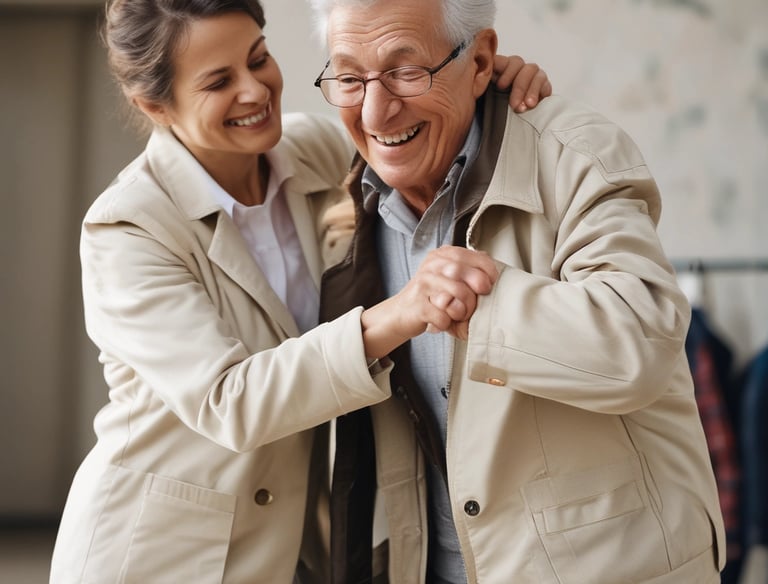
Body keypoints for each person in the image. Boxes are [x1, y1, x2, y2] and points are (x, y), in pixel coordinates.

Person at [48, 1, 552, 582]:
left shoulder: (310, 150)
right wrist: (401, 313)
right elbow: (230, 401)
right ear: (154, 106)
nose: (255, 90)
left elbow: (422, 126)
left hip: (284, 553)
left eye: (258, 58)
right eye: (218, 81)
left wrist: (483, 77)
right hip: (153, 557)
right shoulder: (128, 228)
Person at [308, 0, 727, 582]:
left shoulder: (576, 154)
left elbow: (640, 340)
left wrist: (475, 303)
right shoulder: (347, 210)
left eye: (407, 71)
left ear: (481, 60)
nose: (376, 110)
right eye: (350, 77)